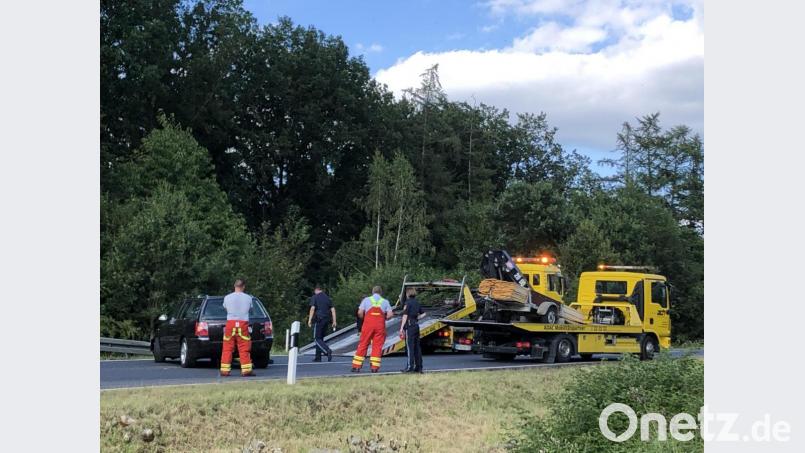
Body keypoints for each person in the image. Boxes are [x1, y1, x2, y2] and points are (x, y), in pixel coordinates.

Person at [351, 285, 393, 373]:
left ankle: (356, 366)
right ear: (381, 293)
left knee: (363, 344)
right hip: (379, 326)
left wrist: (364, 318)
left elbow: (360, 312)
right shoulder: (385, 301)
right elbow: (390, 315)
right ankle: (374, 367)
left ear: (372, 292)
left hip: (368, 325)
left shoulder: (366, 300)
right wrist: (383, 318)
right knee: (377, 346)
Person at [220, 279, 255, 377]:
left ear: (234, 286)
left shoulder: (227, 297)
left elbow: (226, 309)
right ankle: (246, 370)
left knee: (227, 348)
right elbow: (250, 309)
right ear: (243, 287)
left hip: (230, 324)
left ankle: (224, 371)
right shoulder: (248, 298)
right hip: (243, 323)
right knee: (244, 347)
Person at [399, 288, 426, 373]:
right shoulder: (417, 302)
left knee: (410, 348)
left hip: (410, 326)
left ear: (408, 294)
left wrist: (401, 328)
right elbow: (424, 313)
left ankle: (410, 367)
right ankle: (419, 367)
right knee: (417, 347)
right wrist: (418, 318)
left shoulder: (407, 303)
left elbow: (405, 316)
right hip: (416, 325)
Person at [307, 285, 336, 362]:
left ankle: (327, 350)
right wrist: (334, 321)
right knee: (321, 338)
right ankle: (318, 357)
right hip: (327, 320)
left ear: (316, 290)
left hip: (319, 319)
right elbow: (333, 310)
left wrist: (309, 320)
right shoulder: (327, 298)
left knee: (316, 339)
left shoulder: (315, 297)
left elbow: (312, 308)